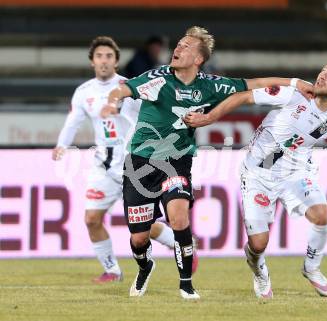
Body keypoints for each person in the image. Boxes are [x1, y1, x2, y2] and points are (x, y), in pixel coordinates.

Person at [101, 26, 314, 299]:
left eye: (185, 46)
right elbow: (123, 89)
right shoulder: (157, 78)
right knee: (139, 238)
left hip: (178, 160)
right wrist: (112, 104)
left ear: (199, 59)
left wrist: (295, 83)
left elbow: (255, 83)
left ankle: (186, 285)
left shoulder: (211, 86)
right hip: (140, 161)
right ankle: (145, 266)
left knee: (179, 217)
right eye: (178, 44)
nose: (177, 49)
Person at [184, 56, 327, 298]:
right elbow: (245, 96)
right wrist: (208, 118)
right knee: (258, 243)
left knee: (322, 215)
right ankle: (259, 271)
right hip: (258, 172)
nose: (323, 75)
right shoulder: (294, 95)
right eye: (324, 70)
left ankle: (312, 268)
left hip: (296, 173)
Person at [52, 36, 188, 284]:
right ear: (92, 62)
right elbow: (73, 121)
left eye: (108, 56)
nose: (104, 61)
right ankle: (112, 270)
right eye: (99, 56)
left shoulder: (131, 87)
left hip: (132, 164)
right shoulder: (84, 92)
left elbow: (151, 113)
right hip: (103, 166)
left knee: (141, 224)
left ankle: (179, 244)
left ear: (116, 61)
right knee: (91, 219)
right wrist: (62, 144)